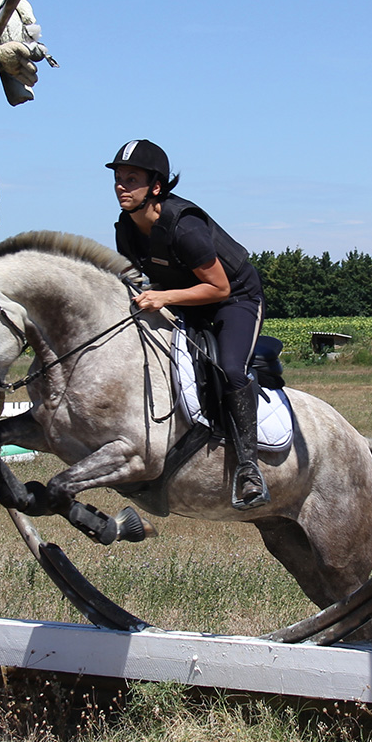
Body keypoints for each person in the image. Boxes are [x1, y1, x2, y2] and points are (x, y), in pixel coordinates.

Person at [107, 139, 270, 511]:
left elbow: (219, 286)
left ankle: (248, 467)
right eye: (118, 178)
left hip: (235, 298)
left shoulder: (185, 227)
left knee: (230, 368)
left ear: (156, 186)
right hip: (185, 296)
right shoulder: (125, 230)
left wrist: (163, 298)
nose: (121, 185)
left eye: (132, 178)